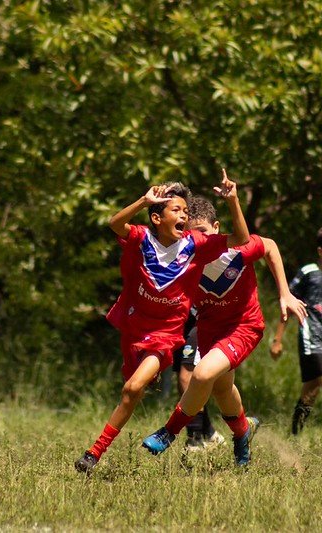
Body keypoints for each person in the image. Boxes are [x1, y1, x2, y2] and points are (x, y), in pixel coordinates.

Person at [74, 171, 249, 474]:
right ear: (157, 218)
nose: (184, 215)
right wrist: (144, 200)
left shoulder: (195, 245)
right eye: (177, 210)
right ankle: (234, 429)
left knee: (132, 389)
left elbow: (242, 239)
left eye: (186, 210)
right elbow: (115, 223)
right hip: (133, 328)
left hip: (164, 335)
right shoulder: (141, 239)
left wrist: (233, 201)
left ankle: (93, 453)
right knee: (130, 392)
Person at [141, 196, 307, 466]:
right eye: (192, 233)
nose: (200, 239)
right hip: (210, 329)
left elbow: (270, 246)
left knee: (202, 373)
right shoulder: (184, 259)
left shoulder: (236, 251)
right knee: (222, 390)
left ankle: (168, 432)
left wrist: (285, 293)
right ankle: (243, 437)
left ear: (217, 228)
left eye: (204, 232)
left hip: (244, 326)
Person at [270, 226, 322, 440]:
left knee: (310, 391)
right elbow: (287, 305)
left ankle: (294, 434)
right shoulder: (308, 273)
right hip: (310, 339)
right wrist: (277, 340)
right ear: (321, 252)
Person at [171, 310, 226, 451]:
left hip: (198, 317)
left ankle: (195, 439)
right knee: (181, 378)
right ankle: (210, 433)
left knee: (187, 377)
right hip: (180, 319)